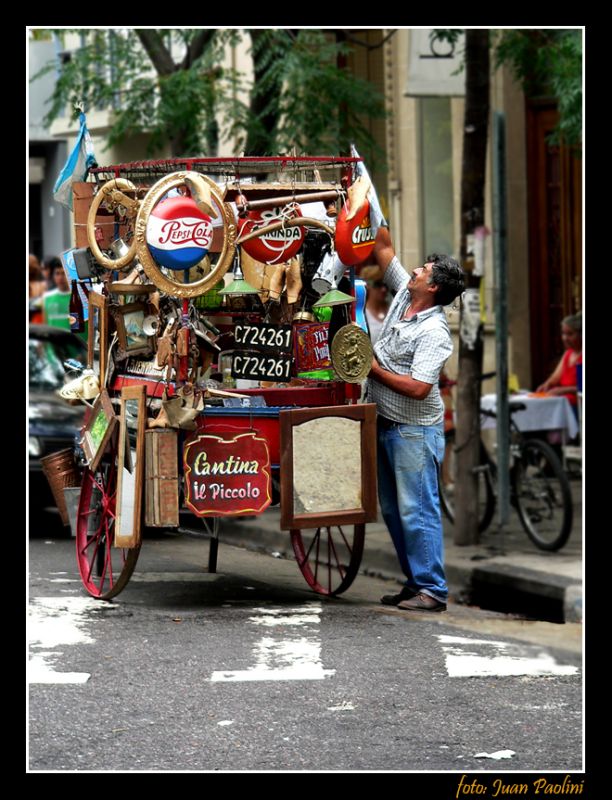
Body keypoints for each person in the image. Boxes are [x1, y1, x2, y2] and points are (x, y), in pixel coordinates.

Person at [365, 226, 464, 612]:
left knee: (417, 509)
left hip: (414, 432)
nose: (416, 270)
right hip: (387, 423)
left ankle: (433, 590)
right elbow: (384, 248)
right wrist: (364, 199)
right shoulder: (405, 293)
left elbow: (419, 387)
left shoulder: (435, 331)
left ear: (434, 287)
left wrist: (372, 370)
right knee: (393, 510)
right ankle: (416, 581)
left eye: (423, 269)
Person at [536, 312, 582, 409]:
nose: (565, 338)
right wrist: (546, 384)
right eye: (563, 333)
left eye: (570, 334)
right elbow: (555, 377)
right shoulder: (568, 354)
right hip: (562, 402)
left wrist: (562, 390)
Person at [360, 265, 389, 346]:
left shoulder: (394, 309)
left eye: (386, 285)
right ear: (368, 286)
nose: (383, 289)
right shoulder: (362, 314)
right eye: (378, 284)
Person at [42, 261, 71, 330]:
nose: (61, 277)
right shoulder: (47, 297)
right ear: (53, 276)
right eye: (57, 273)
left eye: (64, 273)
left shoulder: (78, 297)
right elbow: (45, 324)